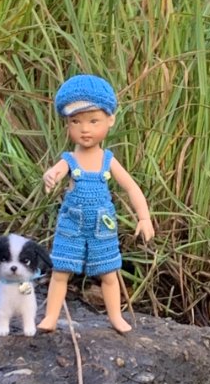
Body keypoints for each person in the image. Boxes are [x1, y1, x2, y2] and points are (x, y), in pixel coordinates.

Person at [37, 74, 154, 333]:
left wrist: (143, 217)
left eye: (93, 120)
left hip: (102, 225)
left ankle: (115, 317)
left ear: (110, 120)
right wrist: (51, 177)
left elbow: (131, 187)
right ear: (67, 123)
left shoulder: (107, 160)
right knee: (60, 271)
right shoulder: (68, 159)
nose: (85, 129)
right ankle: (50, 317)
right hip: (71, 224)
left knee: (109, 273)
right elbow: (53, 175)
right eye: (75, 121)